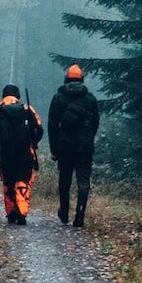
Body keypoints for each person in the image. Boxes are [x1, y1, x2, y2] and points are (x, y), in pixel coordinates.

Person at [48, 63, 100, 226]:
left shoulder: (58, 97)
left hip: (64, 147)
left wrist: (54, 149)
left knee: (65, 181)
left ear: (66, 79)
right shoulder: (90, 98)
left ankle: (64, 212)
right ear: (82, 79)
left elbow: (52, 125)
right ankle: (79, 217)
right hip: (84, 148)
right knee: (83, 182)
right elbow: (95, 122)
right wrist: (88, 139)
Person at [0, 84, 43, 225]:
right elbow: (39, 129)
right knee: (23, 181)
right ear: (18, 97)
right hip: (25, 154)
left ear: (3, 96)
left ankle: (11, 213)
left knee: (8, 183)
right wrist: (33, 142)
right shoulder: (27, 110)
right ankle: (22, 212)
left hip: (5, 154)